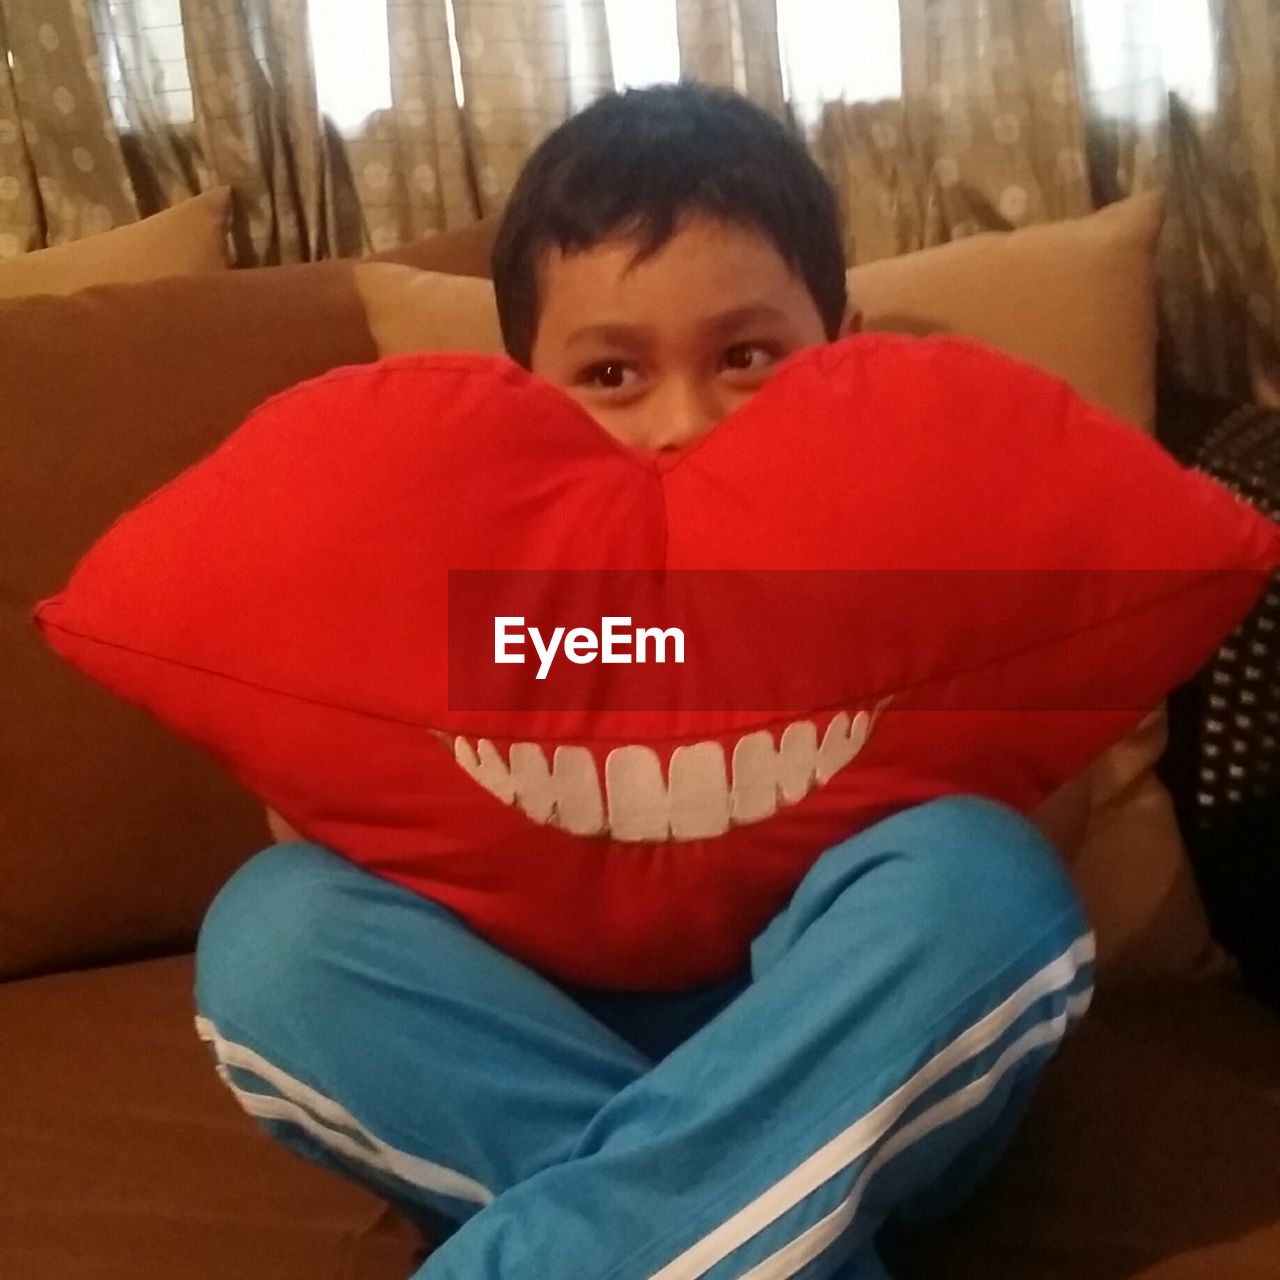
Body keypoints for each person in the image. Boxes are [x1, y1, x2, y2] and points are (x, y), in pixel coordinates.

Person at [194, 82, 1094, 1279]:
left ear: (845, 343)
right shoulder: (474, 583)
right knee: (273, 931)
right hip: (526, 1046)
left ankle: (644, 1215)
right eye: (611, 374)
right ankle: (746, 1219)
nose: (683, 421)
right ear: (520, 385)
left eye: (746, 355)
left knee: (987, 885)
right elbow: (319, 809)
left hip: (853, 1051)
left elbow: (1031, 828)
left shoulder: (902, 555)